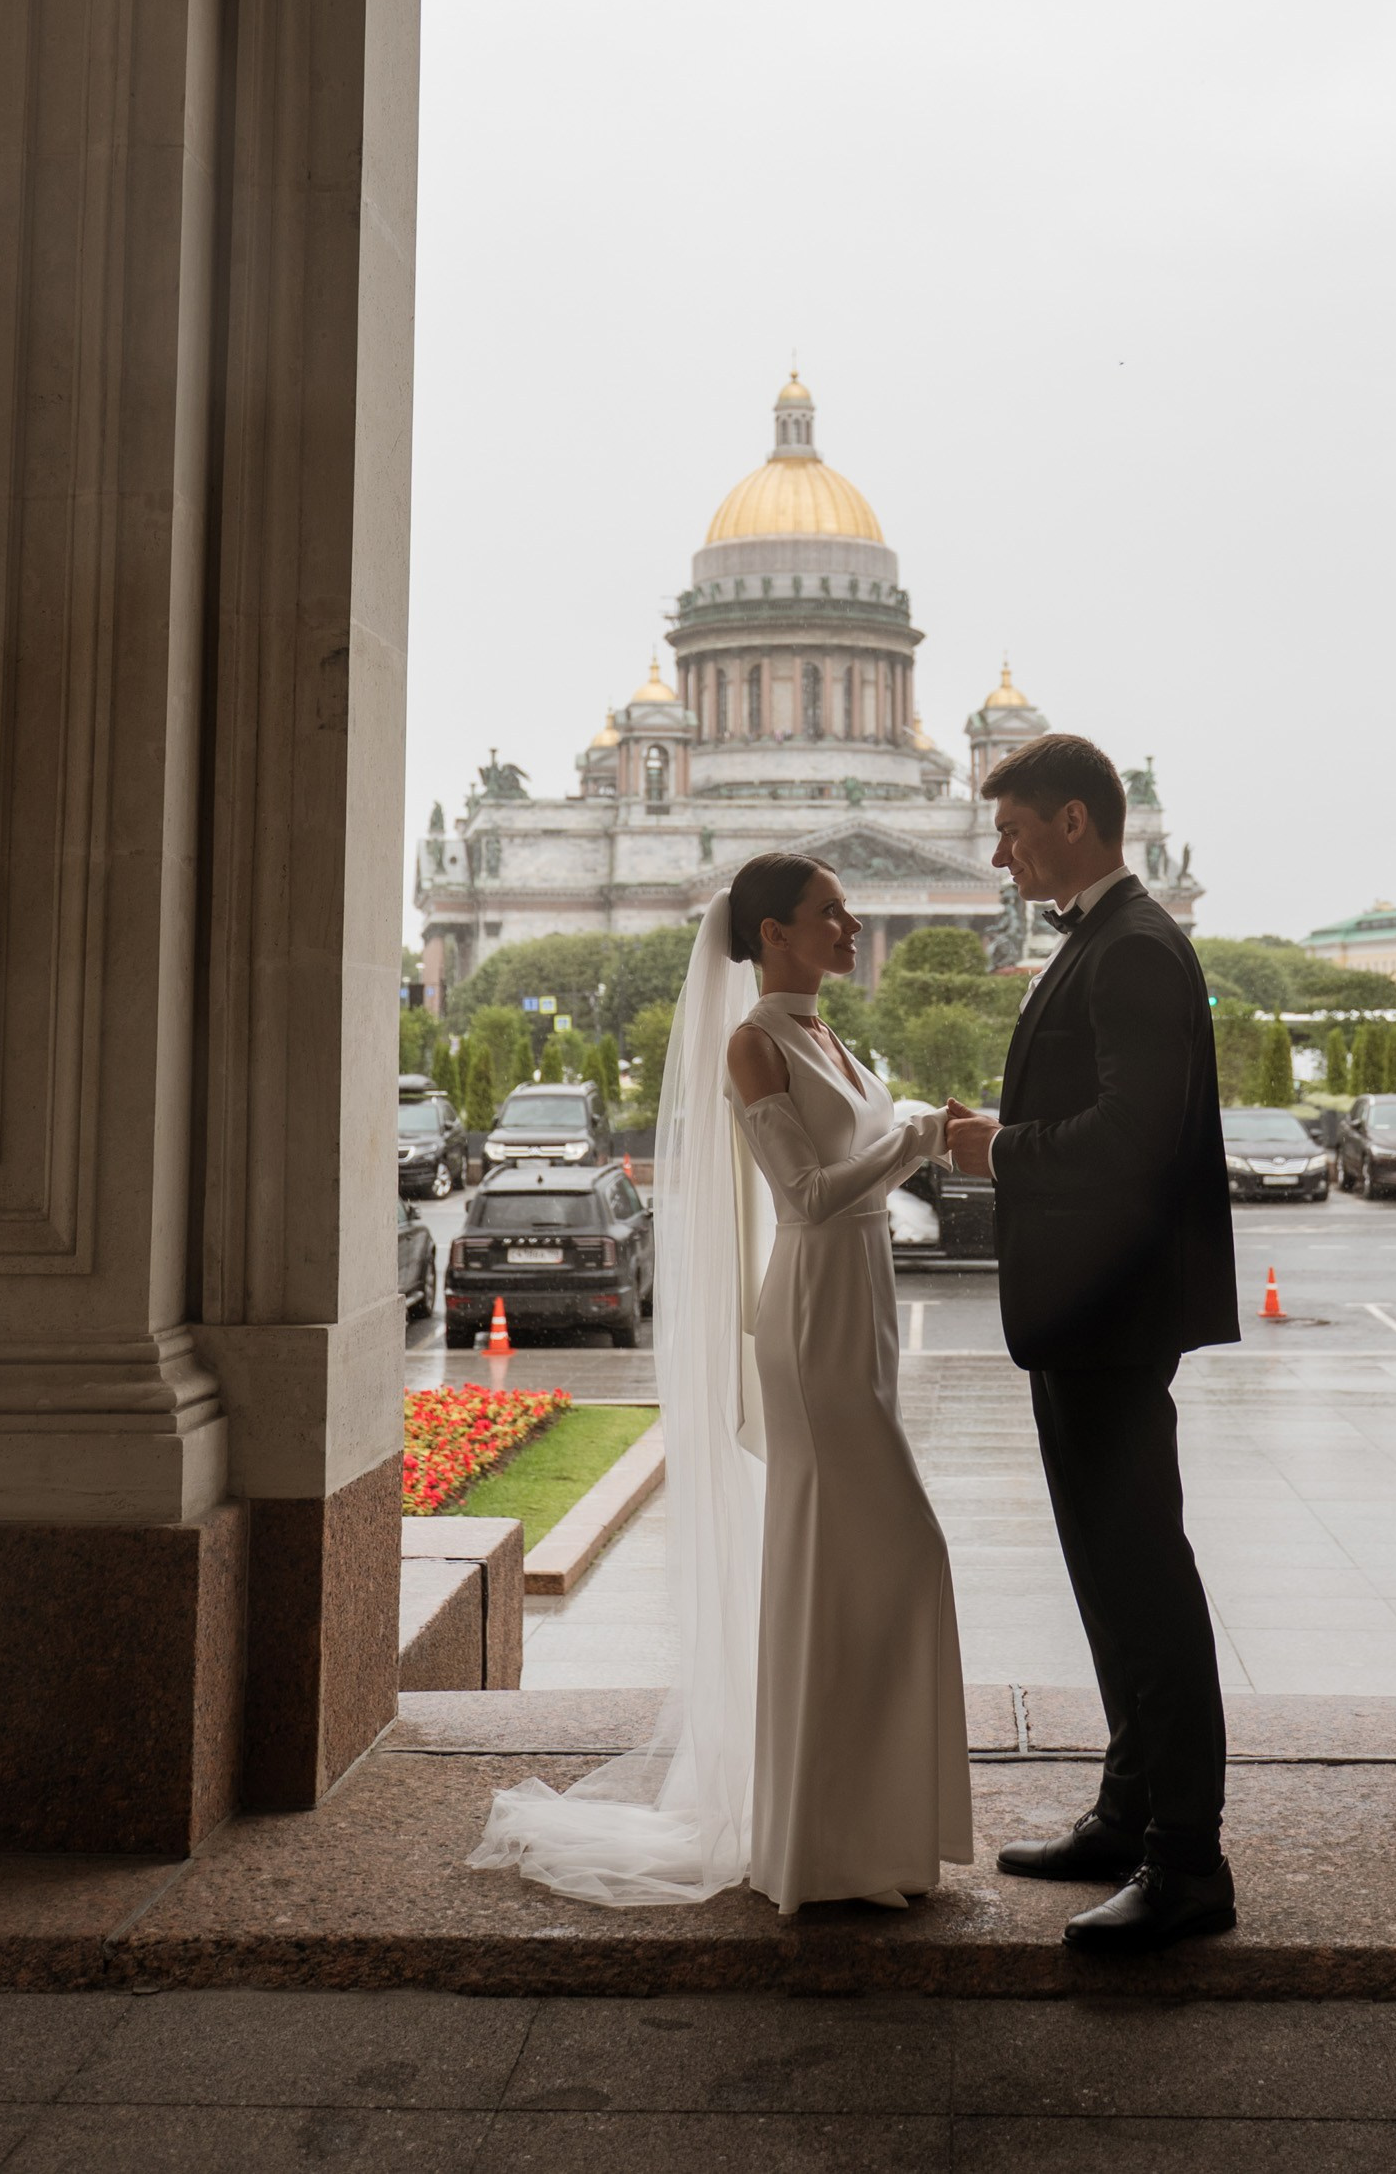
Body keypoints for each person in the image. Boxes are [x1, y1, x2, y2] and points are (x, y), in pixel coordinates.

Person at [469, 855, 970, 1915]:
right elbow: (806, 1191)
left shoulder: (831, 1034)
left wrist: (918, 1123)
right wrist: (921, 1130)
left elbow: (852, 1171)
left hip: (858, 1304)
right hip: (813, 1309)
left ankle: (848, 1838)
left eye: (846, 910)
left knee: (854, 1567)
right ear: (773, 933)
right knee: (887, 1553)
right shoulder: (754, 1042)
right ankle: (816, 1840)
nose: (850, 924)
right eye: (828, 912)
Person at [944, 731, 1238, 1954]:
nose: (998, 851)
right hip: (1085, 1311)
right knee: (1111, 1582)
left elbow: (1131, 1135)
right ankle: (1129, 1814)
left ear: (1073, 819)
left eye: (1010, 828)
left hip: (1110, 1310)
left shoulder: (1131, 948)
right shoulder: (1107, 938)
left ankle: (1186, 1861)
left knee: (1144, 1584)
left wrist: (997, 1148)